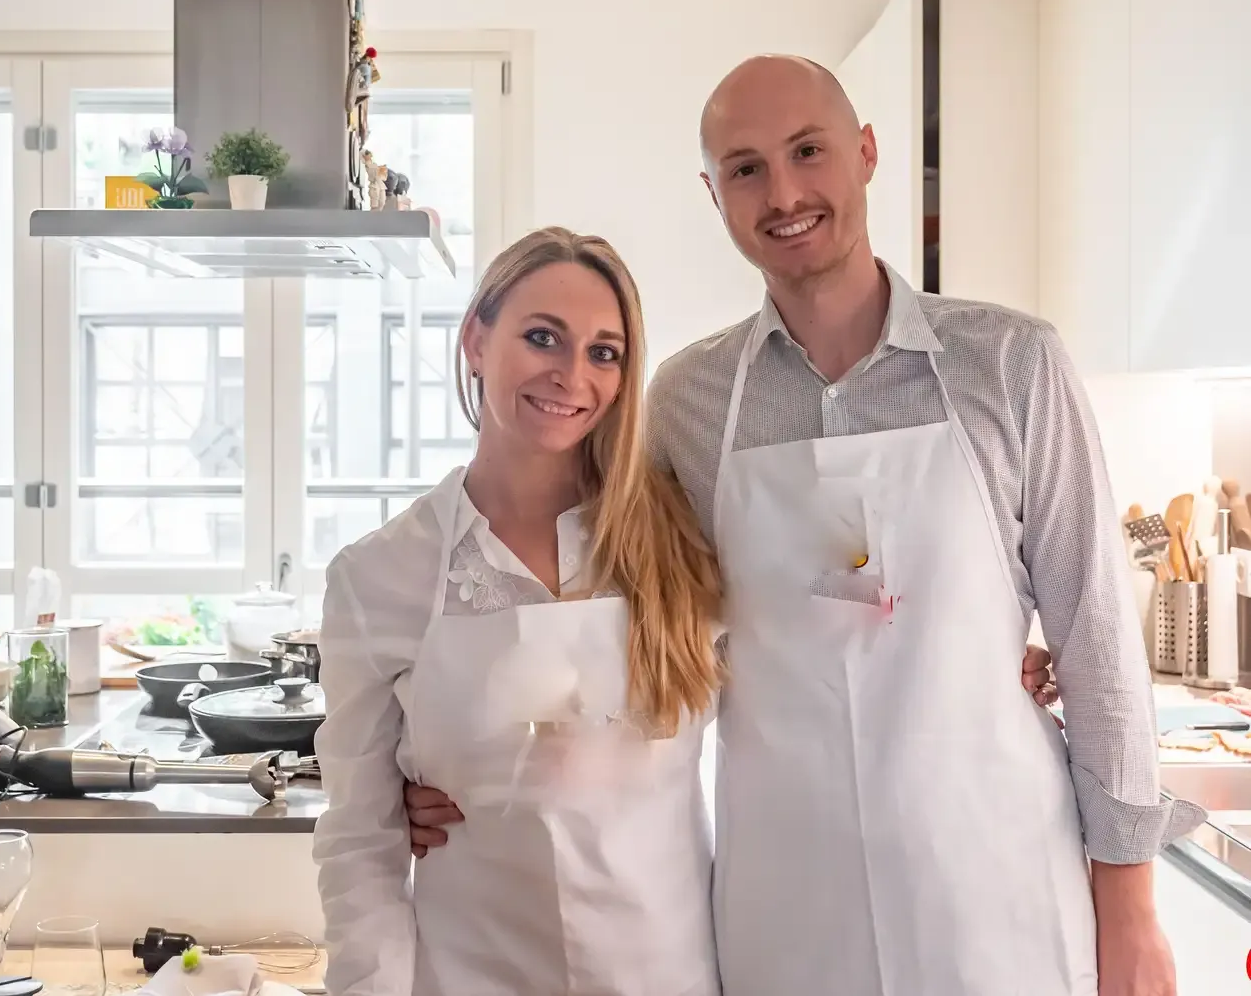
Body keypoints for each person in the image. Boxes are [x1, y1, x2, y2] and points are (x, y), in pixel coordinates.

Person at [404, 56, 1206, 996]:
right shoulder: (687, 403)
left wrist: (1131, 908)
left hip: (995, 890)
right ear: (714, 195)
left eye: (808, 151)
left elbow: (1097, 640)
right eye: (746, 169)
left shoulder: (1010, 363)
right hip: (786, 905)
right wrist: (459, 762)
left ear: (865, 153)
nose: (783, 194)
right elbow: (604, 622)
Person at [313, 224, 1060, 996]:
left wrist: (969, 646)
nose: (572, 375)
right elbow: (358, 845)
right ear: (476, 338)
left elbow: (837, 613)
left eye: (605, 352)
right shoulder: (379, 577)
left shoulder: (682, 529)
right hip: (470, 974)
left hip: (673, 972)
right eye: (542, 337)